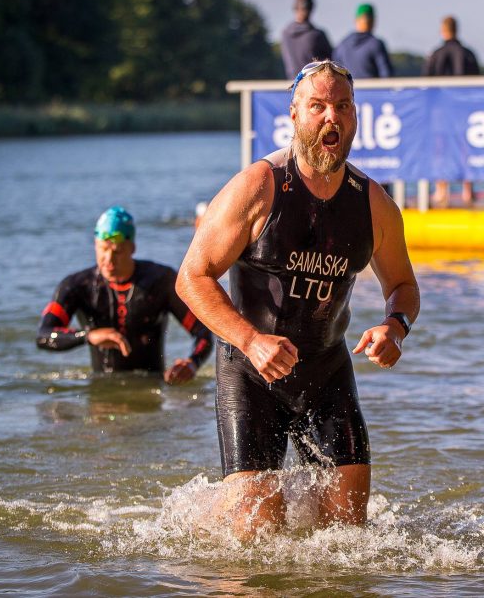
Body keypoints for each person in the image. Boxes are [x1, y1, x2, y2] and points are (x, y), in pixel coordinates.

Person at [176, 59, 420, 538]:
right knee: (256, 543)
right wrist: (250, 340)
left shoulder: (374, 204)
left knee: (348, 539)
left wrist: (396, 326)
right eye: (319, 106)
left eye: (343, 106)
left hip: (326, 373)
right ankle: (214, 514)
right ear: (294, 115)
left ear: (355, 116)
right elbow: (192, 278)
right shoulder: (258, 187)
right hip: (250, 371)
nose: (333, 117)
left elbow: (403, 287)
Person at [37, 206, 212, 383]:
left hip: (152, 390)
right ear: (95, 245)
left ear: (132, 248)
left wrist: (192, 363)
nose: (109, 259)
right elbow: (44, 335)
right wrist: (88, 336)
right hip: (102, 390)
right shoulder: (76, 286)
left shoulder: (161, 281)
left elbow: (203, 331)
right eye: (103, 249)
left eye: (117, 251)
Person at [423, 15, 480, 207]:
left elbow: (427, 85)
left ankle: (441, 190)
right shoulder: (468, 54)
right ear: (457, 29)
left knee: (441, 148)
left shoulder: (436, 54)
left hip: (440, 112)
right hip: (464, 111)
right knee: (465, 148)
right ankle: (467, 190)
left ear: (443, 30)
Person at [332, 3, 394, 79]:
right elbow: (387, 75)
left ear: (356, 20)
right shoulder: (376, 44)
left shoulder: (342, 45)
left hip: (349, 89)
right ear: (373, 21)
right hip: (372, 90)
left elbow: (334, 72)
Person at [280, 0, 333, 80]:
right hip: (315, 86)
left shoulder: (285, 34)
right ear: (312, 9)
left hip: (293, 86)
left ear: (295, 8)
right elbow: (331, 62)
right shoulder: (317, 35)